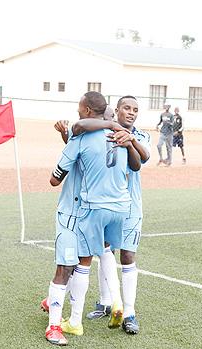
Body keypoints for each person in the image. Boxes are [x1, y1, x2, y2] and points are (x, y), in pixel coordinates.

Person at [48, 91, 141, 344]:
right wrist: (129, 140)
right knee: (106, 251)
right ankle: (119, 302)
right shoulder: (122, 138)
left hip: (83, 209)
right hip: (121, 208)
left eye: (80, 107)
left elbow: (56, 178)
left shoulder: (82, 136)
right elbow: (138, 164)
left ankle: (72, 321)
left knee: (77, 264)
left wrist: (69, 147)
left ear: (89, 111)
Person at [86, 96, 151, 335]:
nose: (131, 113)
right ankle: (105, 302)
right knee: (104, 251)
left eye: (135, 110)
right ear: (117, 111)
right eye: (126, 108)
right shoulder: (105, 133)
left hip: (131, 206)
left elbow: (143, 158)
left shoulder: (142, 136)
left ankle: (129, 312)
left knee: (127, 255)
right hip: (107, 204)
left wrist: (131, 139)